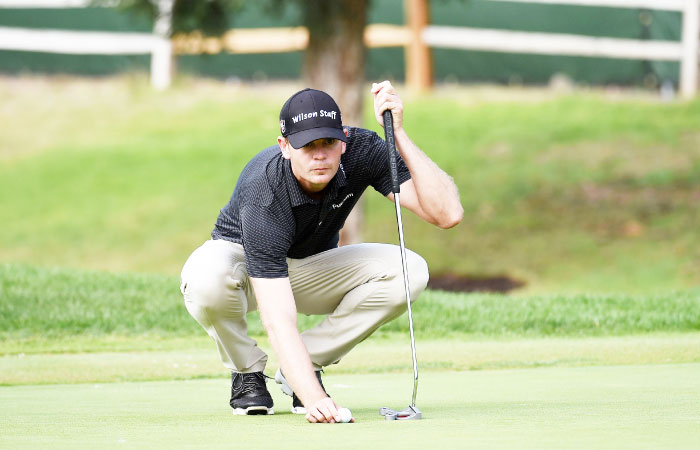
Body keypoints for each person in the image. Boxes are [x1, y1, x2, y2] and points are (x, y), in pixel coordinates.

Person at [180, 81, 462, 423]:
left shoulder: (364, 151)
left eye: (328, 142)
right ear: (284, 147)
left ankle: (301, 366)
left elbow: (447, 213)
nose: (319, 154)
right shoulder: (264, 191)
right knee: (205, 278)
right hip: (243, 271)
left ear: (343, 139)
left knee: (410, 270)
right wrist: (314, 398)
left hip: (311, 267)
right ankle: (246, 370)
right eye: (306, 145)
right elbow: (277, 315)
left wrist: (398, 135)